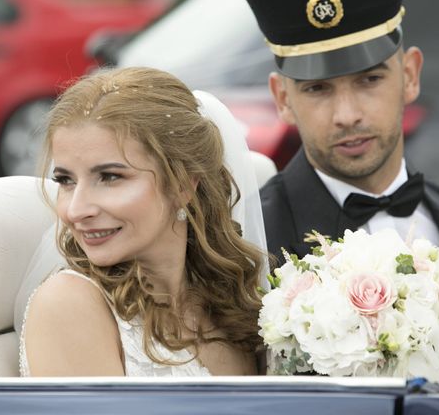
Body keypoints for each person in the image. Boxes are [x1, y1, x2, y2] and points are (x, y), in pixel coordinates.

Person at [19, 67, 268, 377]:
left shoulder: (227, 303)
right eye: (66, 181)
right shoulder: (69, 304)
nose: (75, 209)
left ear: (182, 185)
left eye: (109, 177)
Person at [241, 0, 439, 262]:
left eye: (369, 80)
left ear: (410, 75)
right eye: (318, 89)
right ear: (283, 98)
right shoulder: (246, 246)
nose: (347, 115)